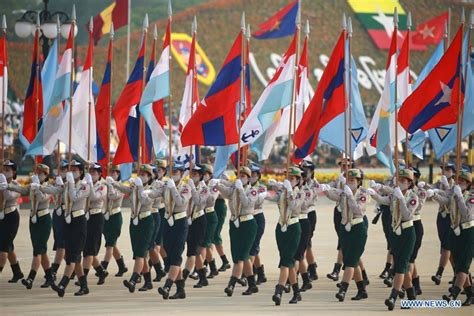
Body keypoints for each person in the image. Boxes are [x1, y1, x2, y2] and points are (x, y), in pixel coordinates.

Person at [368, 168, 419, 311]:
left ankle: (393, 297)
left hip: (408, 233)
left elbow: (408, 215)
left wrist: (401, 198)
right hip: (395, 233)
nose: (401, 182)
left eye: (404, 180)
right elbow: (385, 200)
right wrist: (374, 194)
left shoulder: (413, 197)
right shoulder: (394, 195)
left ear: (409, 183)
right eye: (399, 180)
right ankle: (411, 297)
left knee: (401, 266)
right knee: (401, 265)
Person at [109, 164, 156, 293]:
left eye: (145, 174)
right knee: (138, 253)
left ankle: (133, 280)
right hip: (134, 221)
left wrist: (140, 186)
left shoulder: (152, 188)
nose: (142, 176)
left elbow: (145, 200)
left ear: (150, 177)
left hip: (146, 221)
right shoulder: (134, 187)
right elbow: (126, 190)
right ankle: (148, 282)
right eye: (140, 174)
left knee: (141, 252)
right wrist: (114, 183)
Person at [7, 164, 54, 289]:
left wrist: (37, 187)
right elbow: (22, 190)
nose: (37, 174)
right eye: (36, 172)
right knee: (41, 250)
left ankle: (30, 278)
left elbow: (43, 198)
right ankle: (49, 277)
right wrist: (8, 186)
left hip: (44, 220)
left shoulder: (48, 186)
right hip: (33, 220)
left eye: (40, 172)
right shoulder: (32, 185)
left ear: (46, 174)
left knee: (37, 251)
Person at [325, 169, 369, 301]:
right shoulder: (344, 193)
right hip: (345, 228)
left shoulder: (363, 194)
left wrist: (350, 196)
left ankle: (343, 290)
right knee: (351, 260)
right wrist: (325, 189)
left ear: (359, 181)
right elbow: (334, 197)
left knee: (350, 261)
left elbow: (358, 210)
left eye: (352, 180)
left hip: (358, 228)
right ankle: (362, 290)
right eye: (348, 180)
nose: (350, 182)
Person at [216, 166, 258, 297]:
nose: (240, 178)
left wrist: (240, 189)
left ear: (248, 178)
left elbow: (246, 204)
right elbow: (225, 191)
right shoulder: (234, 189)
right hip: (235, 224)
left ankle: (231, 285)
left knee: (241, 256)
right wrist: (216, 183)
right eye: (239, 176)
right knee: (240, 256)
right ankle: (252, 284)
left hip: (248, 225)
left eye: (243, 176)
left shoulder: (253, 191)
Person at [51, 160, 91, 297]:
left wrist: (71, 183)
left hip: (79, 222)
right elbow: (56, 191)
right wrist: (38, 187)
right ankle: (84, 286)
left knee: (73, 257)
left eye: (75, 170)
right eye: (71, 169)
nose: (72, 172)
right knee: (72, 255)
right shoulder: (68, 184)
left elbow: (74, 197)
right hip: (68, 221)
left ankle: (62, 284)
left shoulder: (85, 186)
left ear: (81, 172)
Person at [154, 161, 191, 300]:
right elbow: (155, 194)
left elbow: (181, 202)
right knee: (170, 257)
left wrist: (173, 189)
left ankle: (167, 286)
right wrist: (143, 190)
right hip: (168, 222)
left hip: (180, 223)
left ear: (181, 174)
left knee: (176, 256)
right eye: (172, 172)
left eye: (176, 172)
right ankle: (180, 289)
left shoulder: (185, 187)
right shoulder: (167, 185)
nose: (174, 174)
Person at [267, 167, 303, 305]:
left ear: (298, 180)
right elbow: (276, 199)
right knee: (288, 262)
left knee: (285, 261)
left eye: (292, 178)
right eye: (287, 177)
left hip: (293, 228)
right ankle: (297, 293)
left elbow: (294, 206)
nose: (289, 180)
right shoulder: (283, 191)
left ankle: (279, 291)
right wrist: (265, 195)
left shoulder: (300, 193)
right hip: (280, 228)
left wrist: (288, 192)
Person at [437, 170, 473, 306]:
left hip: (468, 232)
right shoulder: (455, 194)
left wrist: (459, 197)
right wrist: (434, 195)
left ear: (469, 184)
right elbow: (446, 200)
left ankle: (454, 294)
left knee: (463, 265)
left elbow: (466, 213)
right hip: (454, 230)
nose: (460, 183)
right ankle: (470, 293)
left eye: (463, 181)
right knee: (456, 261)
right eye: (459, 180)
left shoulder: (471, 197)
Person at [81, 163, 108, 287]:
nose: (92, 175)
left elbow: (93, 197)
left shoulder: (102, 186)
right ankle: (101, 271)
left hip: (96, 217)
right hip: (86, 217)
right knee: (86, 248)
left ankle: (83, 277)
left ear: (100, 174)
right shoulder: (86, 184)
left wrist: (90, 185)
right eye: (90, 172)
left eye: (94, 172)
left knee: (90, 250)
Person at [182, 164, 208, 288]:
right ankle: (202, 277)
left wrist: (192, 188)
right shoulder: (188, 186)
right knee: (194, 251)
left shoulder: (204, 189)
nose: (193, 177)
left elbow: (199, 202)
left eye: (196, 174)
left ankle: (183, 277)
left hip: (199, 220)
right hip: (189, 220)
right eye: (192, 174)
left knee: (193, 251)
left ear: (201, 176)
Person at [430, 161, 456, 286]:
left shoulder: (456, 184)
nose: (445, 171)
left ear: (453, 171)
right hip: (441, 217)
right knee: (446, 248)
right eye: (444, 169)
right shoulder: (439, 182)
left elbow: (449, 200)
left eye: (448, 169)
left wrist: (443, 188)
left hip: (451, 217)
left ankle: (439, 273)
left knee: (447, 247)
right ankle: (457, 273)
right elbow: (431, 188)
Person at [195, 164, 220, 287]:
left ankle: (201, 270)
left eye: (206, 174)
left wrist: (205, 188)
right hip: (201, 216)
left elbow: (211, 200)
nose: (203, 176)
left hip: (210, 216)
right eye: (202, 174)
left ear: (210, 175)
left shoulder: (213, 186)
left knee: (203, 245)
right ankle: (213, 267)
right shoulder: (199, 185)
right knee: (206, 243)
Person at [0, 160, 25, 283]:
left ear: (14, 172)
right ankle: (17, 272)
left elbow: (9, 196)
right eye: (4, 169)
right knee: (8, 246)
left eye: (8, 170)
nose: (5, 172)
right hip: (1, 217)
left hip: (11, 217)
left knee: (3, 247)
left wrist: (4, 186)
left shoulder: (16, 185)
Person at [101, 165, 128, 277]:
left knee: (109, 245)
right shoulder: (104, 184)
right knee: (111, 243)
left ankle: (103, 268)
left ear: (118, 174)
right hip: (106, 217)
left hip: (115, 217)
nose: (112, 174)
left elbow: (113, 196)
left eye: (115, 173)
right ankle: (122, 266)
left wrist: (111, 185)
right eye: (111, 172)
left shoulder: (121, 186)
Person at [248, 162, 268, 285]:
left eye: (254, 174)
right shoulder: (243, 186)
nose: (252, 176)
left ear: (258, 175)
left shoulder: (261, 188)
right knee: (252, 248)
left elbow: (256, 200)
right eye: (249, 174)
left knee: (252, 247)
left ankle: (247, 274)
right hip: (246, 219)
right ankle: (260, 273)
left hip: (257, 217)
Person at [300, 159, 319, 281]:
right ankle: (311, 268)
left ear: (311, 171)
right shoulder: (300, 182)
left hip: (310, 214)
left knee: (306, 244)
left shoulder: (314, 184)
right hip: (300, 215)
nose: (303, 172)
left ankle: (311, 270)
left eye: (305, 170)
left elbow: (309, 199)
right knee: (305, 245)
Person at [409, 167, 427, 296]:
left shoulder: (420, 192)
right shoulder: (402, 191)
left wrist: (416, 190)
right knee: (410, 259)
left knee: (409, 259)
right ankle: (416, 285)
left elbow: (419, 206)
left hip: (415, 224)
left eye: (411, 176)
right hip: (403, 226)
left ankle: (407, 287)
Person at [149, 160, 167, 283]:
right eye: (156, 169)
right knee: (157, 245)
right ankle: (167, 264)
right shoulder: (152, 183)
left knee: (156, 244)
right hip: (150, 212)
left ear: (164, 171)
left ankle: (150, 268)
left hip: (160, 211)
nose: (158, 171)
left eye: (160, 169)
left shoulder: (165, 183)